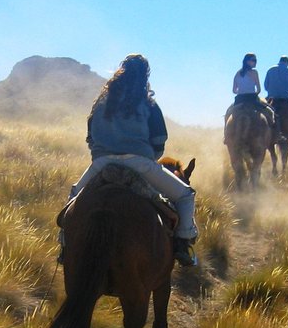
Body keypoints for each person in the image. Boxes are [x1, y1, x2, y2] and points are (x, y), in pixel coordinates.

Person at [65, 53, 198, 266]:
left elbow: (90, 137)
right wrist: (149, 159)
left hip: (102, 164)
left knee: (73, 198)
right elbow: (159, 141)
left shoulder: (100, 104)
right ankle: (183, 245)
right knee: (185, 196)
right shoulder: (148, 104)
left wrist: (102, 155)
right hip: (141, 164)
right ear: (145, 75)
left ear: (121, 71)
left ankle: (65, 246)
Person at [225, 53, 275, 140]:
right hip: (252, 98)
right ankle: (275, 135)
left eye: (255, 61)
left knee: (228, 113)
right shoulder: (254, 73)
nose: (255, 62)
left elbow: (234, 90)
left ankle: (226, 136)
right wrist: (252, 92)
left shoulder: (238, 73)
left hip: (239, 99)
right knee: (270, 112)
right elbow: (258, 89)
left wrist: (241, 91)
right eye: (253, 60)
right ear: (247, 61)